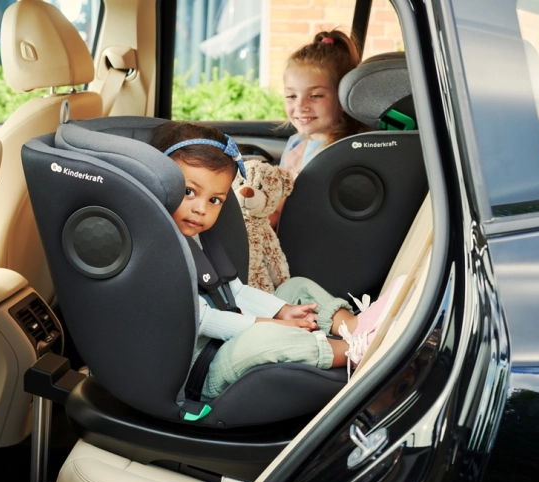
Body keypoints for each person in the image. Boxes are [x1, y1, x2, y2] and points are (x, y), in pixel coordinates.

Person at [149, 121, 398, 400]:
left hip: (225, 342)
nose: (201, 209)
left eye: (215, 200)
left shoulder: (198, 238)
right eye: (189, 192)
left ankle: (353, 326)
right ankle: (355, 350)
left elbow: (234, 292)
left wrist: (282, 311)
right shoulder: (155, 253)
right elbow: (202, 319)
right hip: (201, 372)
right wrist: (272, 324)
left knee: (296, 287)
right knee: (263, 338)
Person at [270, 29, 371, 228]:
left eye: (315, 96)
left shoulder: (344, 152)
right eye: (291, 96)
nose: (300, 105)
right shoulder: (297, 144)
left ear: (343, 98)